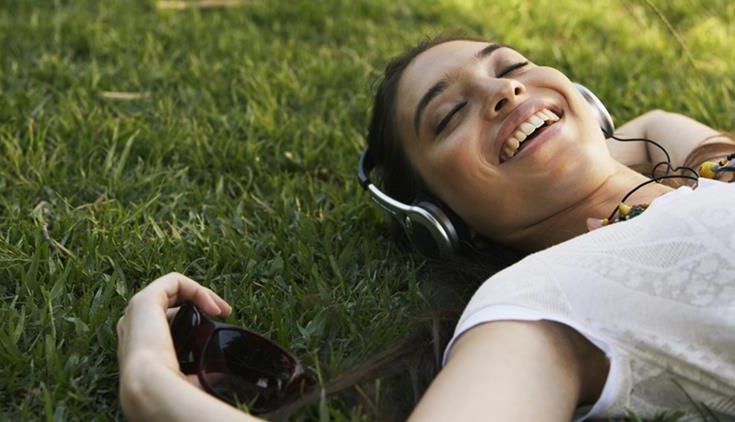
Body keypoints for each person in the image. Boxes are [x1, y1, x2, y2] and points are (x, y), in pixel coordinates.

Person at [117, 36, 735, 421]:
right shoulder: (541, 306)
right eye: (448, 115)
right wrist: (148, 384)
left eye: (511, 64)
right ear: (440, 221)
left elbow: (655, 122)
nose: (505, 90)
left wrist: (608, 168)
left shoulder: (704, 168)